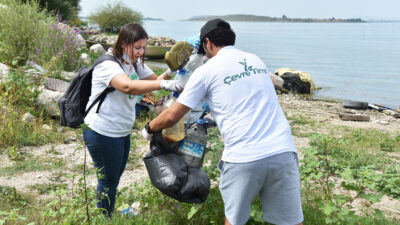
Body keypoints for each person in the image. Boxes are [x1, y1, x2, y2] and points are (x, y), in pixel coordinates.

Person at [142, 19, 303, 225]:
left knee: (234, 221)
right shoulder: (255, 61)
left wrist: (149, 128)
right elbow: (247, 100)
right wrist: (212, 118)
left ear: (207, 42)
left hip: (243, 157)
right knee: (291, 221)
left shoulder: (206, 70)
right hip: (283, 151)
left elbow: (173, 114)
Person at [82, 22, 182, 216]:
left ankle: (108, 212)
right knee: (107, 179)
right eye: (137, 47)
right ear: (123, 43)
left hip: (121, 131)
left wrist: (171, 72)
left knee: (115, 176)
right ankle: (105, 218)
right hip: (102, 131)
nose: (140, 52)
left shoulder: (134, 62)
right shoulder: (108, 64)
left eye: (143, 47)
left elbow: (153, 85)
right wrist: (164, 83)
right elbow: (127, 86)